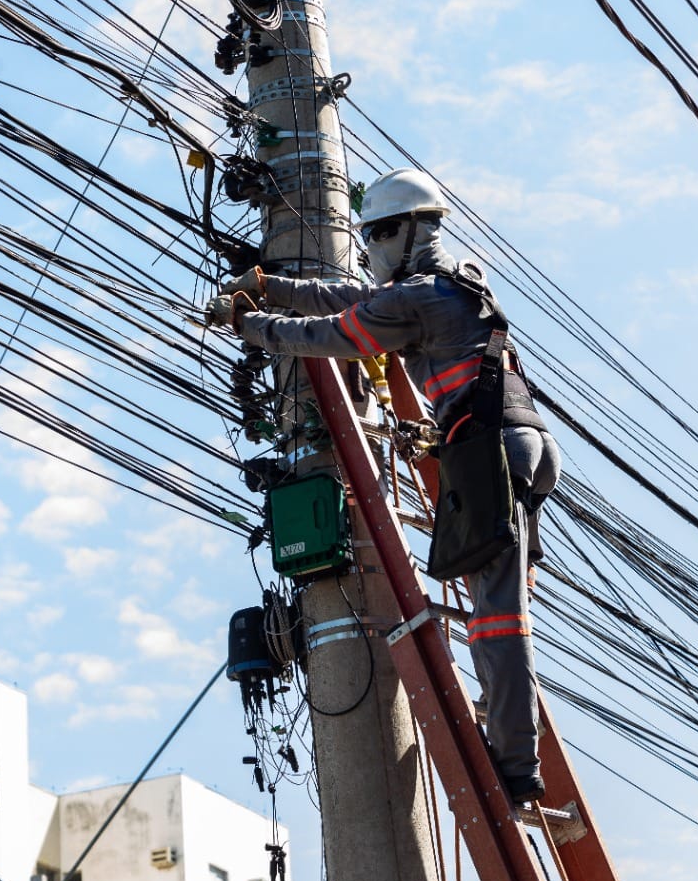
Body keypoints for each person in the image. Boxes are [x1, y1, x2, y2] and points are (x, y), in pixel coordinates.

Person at [206, 168, 561, 805]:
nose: (369, 248)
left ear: (404, 231)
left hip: (492, 452)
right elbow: (349, 296)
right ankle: (509, 729)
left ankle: (515, 764)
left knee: (497, 618)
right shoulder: (452, 282)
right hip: (519, 446)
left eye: (374, 235)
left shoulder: (416, 298)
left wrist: (252, 326)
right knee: (497, 602)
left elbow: (334, 334)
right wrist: (269, 286)